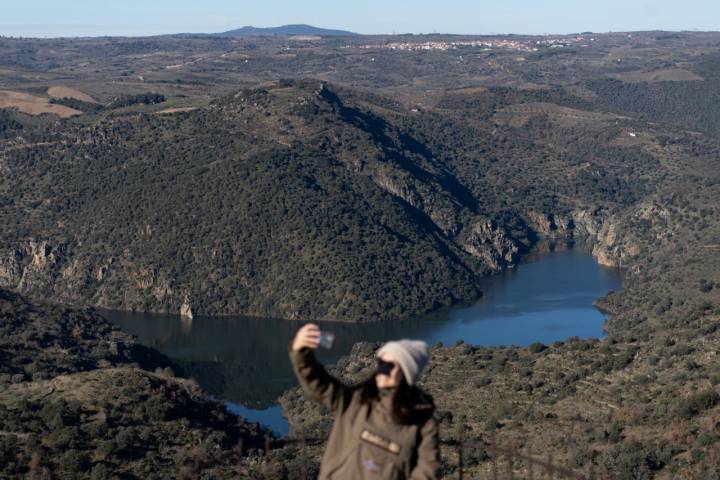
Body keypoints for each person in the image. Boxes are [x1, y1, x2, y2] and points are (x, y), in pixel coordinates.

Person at [290, 323, 440, 479]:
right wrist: (301, 352)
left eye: (389, 366)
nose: (382, 370)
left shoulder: (423, 425)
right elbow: (319, 384)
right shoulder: (357, 401)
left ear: (407, 372)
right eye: (381, 364)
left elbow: (426, 474)